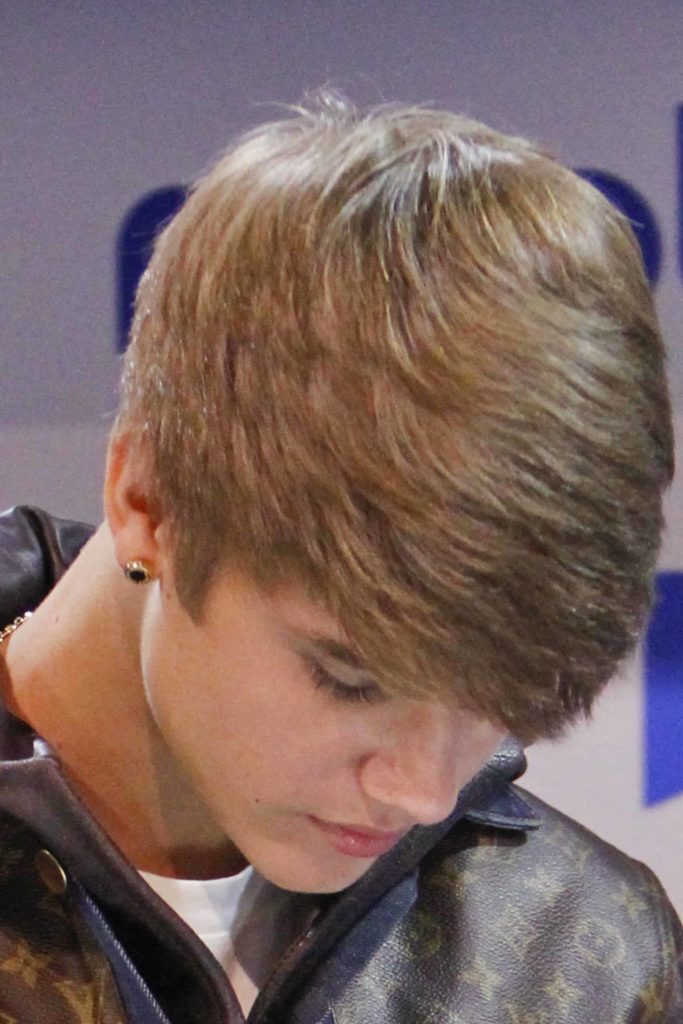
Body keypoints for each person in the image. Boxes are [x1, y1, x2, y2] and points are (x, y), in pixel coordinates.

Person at [0, 95, 680, 1024]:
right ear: (148, 500)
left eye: (494, 704)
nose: (425, 789)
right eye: (350, 678)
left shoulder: (586, 948)